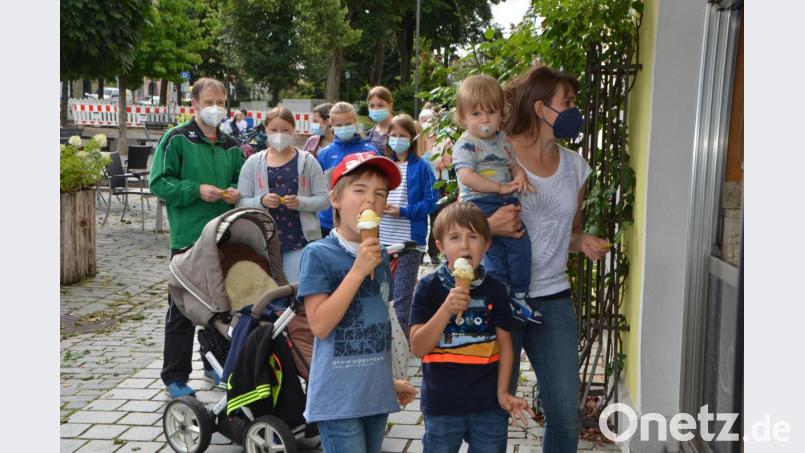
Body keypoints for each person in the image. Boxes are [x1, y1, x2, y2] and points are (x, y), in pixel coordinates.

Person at [488, 65, 610, 452]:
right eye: (568, 103)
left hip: (553, 299)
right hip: (501, 297)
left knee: (564, 414)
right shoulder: (496, 151)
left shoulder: (575, 167)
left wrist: (581, 241)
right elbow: (457, 224)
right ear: (541, 108)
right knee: (489, 409)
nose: (575, 110)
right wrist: (489, 225)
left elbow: (568, 233)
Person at [298, 152, 409, 452]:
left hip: (375, 394)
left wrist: (389, 381)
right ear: (335, 199)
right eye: (359, 190)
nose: (370, 201)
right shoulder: (318, 254)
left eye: (380, 194)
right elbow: (320, 325)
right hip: (338, 399)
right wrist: (358, 270)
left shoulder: (382, 255)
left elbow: (378, 327)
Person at [409, 202, 534, 453]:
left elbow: (506, 344)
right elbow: (418, 347)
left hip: (488, 405)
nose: (464, 245)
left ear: (486, 245)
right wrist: (446, 309)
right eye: (455, 237)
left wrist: (503, 392)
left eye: (473, 237)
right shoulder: (428, 288)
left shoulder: (495, 290)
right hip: (442, 405)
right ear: (441, 247)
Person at [149, 77, 245, 398]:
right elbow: (159, 182)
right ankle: (175, 377)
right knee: (181, 311)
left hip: (223, 238)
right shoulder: (176, 140)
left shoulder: (232, 146)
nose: (216, 108)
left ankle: (214, 364)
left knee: (220, 308)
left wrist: (236, 193)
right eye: (209, 102)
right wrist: (195, 190)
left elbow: (242, 182)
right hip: (188, 239)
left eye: (221, 102)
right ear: (194, 105)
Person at [235, 106, 328, 380]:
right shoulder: (253, 162)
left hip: (299, 242)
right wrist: (261, 201)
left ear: (294, 130)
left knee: (299, 303)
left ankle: (304, 355)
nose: (279, 135)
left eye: (285, 130)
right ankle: (273, 354)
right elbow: (241, 200)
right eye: (274, 130)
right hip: (265, 245)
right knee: (269, 303)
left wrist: (300, 202)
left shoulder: (306, 161)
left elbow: (323, 198)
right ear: (265, 130)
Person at [452, 74, 542, 325]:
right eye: (476, 113)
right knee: (494, 254)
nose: (485, 119)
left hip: (504, 201)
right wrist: (500, 188)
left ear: (502, 113)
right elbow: (468, 177)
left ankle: (518, 296)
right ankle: (501, 298)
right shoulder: (466, 145)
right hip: (479, 204)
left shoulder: (503, 140)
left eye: (491, 112)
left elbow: (513, 164)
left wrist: (520, 175)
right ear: (462, 117)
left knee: (518, 247)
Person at [377, 113, 438, 337]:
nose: (397, 139)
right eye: (393, 135)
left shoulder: (422, 167)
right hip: (382, 239)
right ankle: (385, 338)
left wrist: (403, 211)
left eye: (402, 135)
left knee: (403, 296)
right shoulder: (383, 165)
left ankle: (401, 343)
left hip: (410, 243)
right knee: (383, 293)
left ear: (412, 139)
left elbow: (431, 202)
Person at [316, 102, 380, 237]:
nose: (343, 128)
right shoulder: (324, 154)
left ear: (355, 122)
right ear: (331, 124)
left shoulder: (370, 151)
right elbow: (318, 189)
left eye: (348, 124)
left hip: (363, 219)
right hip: (329, 221)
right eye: (339, 125)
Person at [419, 107, 454, 265]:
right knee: (421, 218)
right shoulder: (418, 141)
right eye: (423, 120)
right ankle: (418, 250)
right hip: (422, 184)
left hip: (440, 184)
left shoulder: (444, 139)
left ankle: (434, 252)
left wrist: (444, 158)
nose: (426, 123)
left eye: (430, 120)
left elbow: (447, 163)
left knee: (438, 219)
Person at [365, 86, 394, 155]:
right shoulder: (368, 135)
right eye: (372, 106)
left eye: (380, 105)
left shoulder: (401, 130)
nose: (376, 109)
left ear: (390, 106)